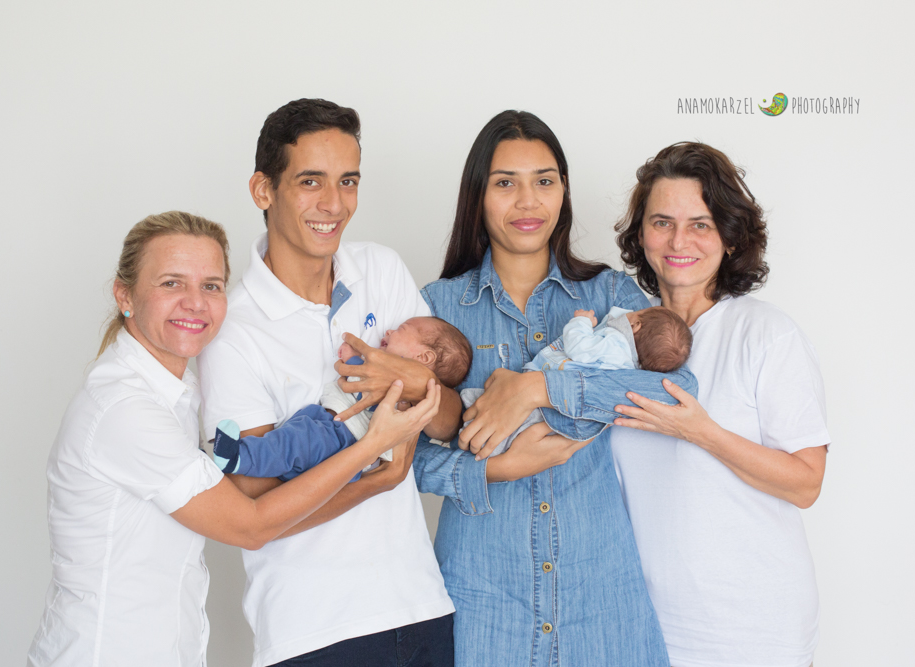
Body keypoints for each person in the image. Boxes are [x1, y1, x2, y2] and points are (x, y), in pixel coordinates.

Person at [328, 109, 694, 666]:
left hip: (601, 602)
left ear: (563, 192)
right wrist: (488, 469)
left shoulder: (609, 296)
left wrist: (538, 389)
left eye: (544, 182)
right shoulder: (435, 308)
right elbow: (399, 456)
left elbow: (677, 391)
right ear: (478, 196)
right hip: (483, 600)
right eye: (506, 184)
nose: (528, 203)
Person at [27, 212, 439, 667]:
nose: (195, 303)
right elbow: (250, 524)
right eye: (171, 284)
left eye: (211, 286)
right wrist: (372, 462)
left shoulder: (177, 395)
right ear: (125, 295)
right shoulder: (124, 408)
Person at [196, 99, 459, 667]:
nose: (334, 204)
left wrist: (410, 376)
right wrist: (374, 477)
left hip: (420, 608)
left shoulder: (381, 270)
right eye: (310, 181)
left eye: (348, 181)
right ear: (263, 190)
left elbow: (451, 418)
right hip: (313, 633)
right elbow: (257, 508)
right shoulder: (232, 331)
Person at [610, 142, 829, 667]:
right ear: (641, 234)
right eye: (661, 222)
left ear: (730, 239)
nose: (678, 240)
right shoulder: (618, 337)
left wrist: (701, 431)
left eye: (701, 224)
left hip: (753, 629)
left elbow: (806, 483)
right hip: (647, 624)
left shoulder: (766, 334)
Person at [211, 316, 472, 478]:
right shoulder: (406, 392)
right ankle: (218, 459)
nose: (390, 331)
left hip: (339, 439)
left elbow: (363, 387)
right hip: (331, 429)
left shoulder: (400, 391)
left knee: (290, 444)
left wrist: (354, 358)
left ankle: (238, 458)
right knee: (288, 445)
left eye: (401, 329)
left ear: (424, 358)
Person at [461, 304, 692, 458]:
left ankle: (481, 433)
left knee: (516, 419)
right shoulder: (629, 366)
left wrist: (581, 322)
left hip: (548, 392)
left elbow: (580, 348)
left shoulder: (616, 343)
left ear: (635, 325)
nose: (627, 312)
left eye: (634, 313)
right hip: (559, 407)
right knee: (522, 421)